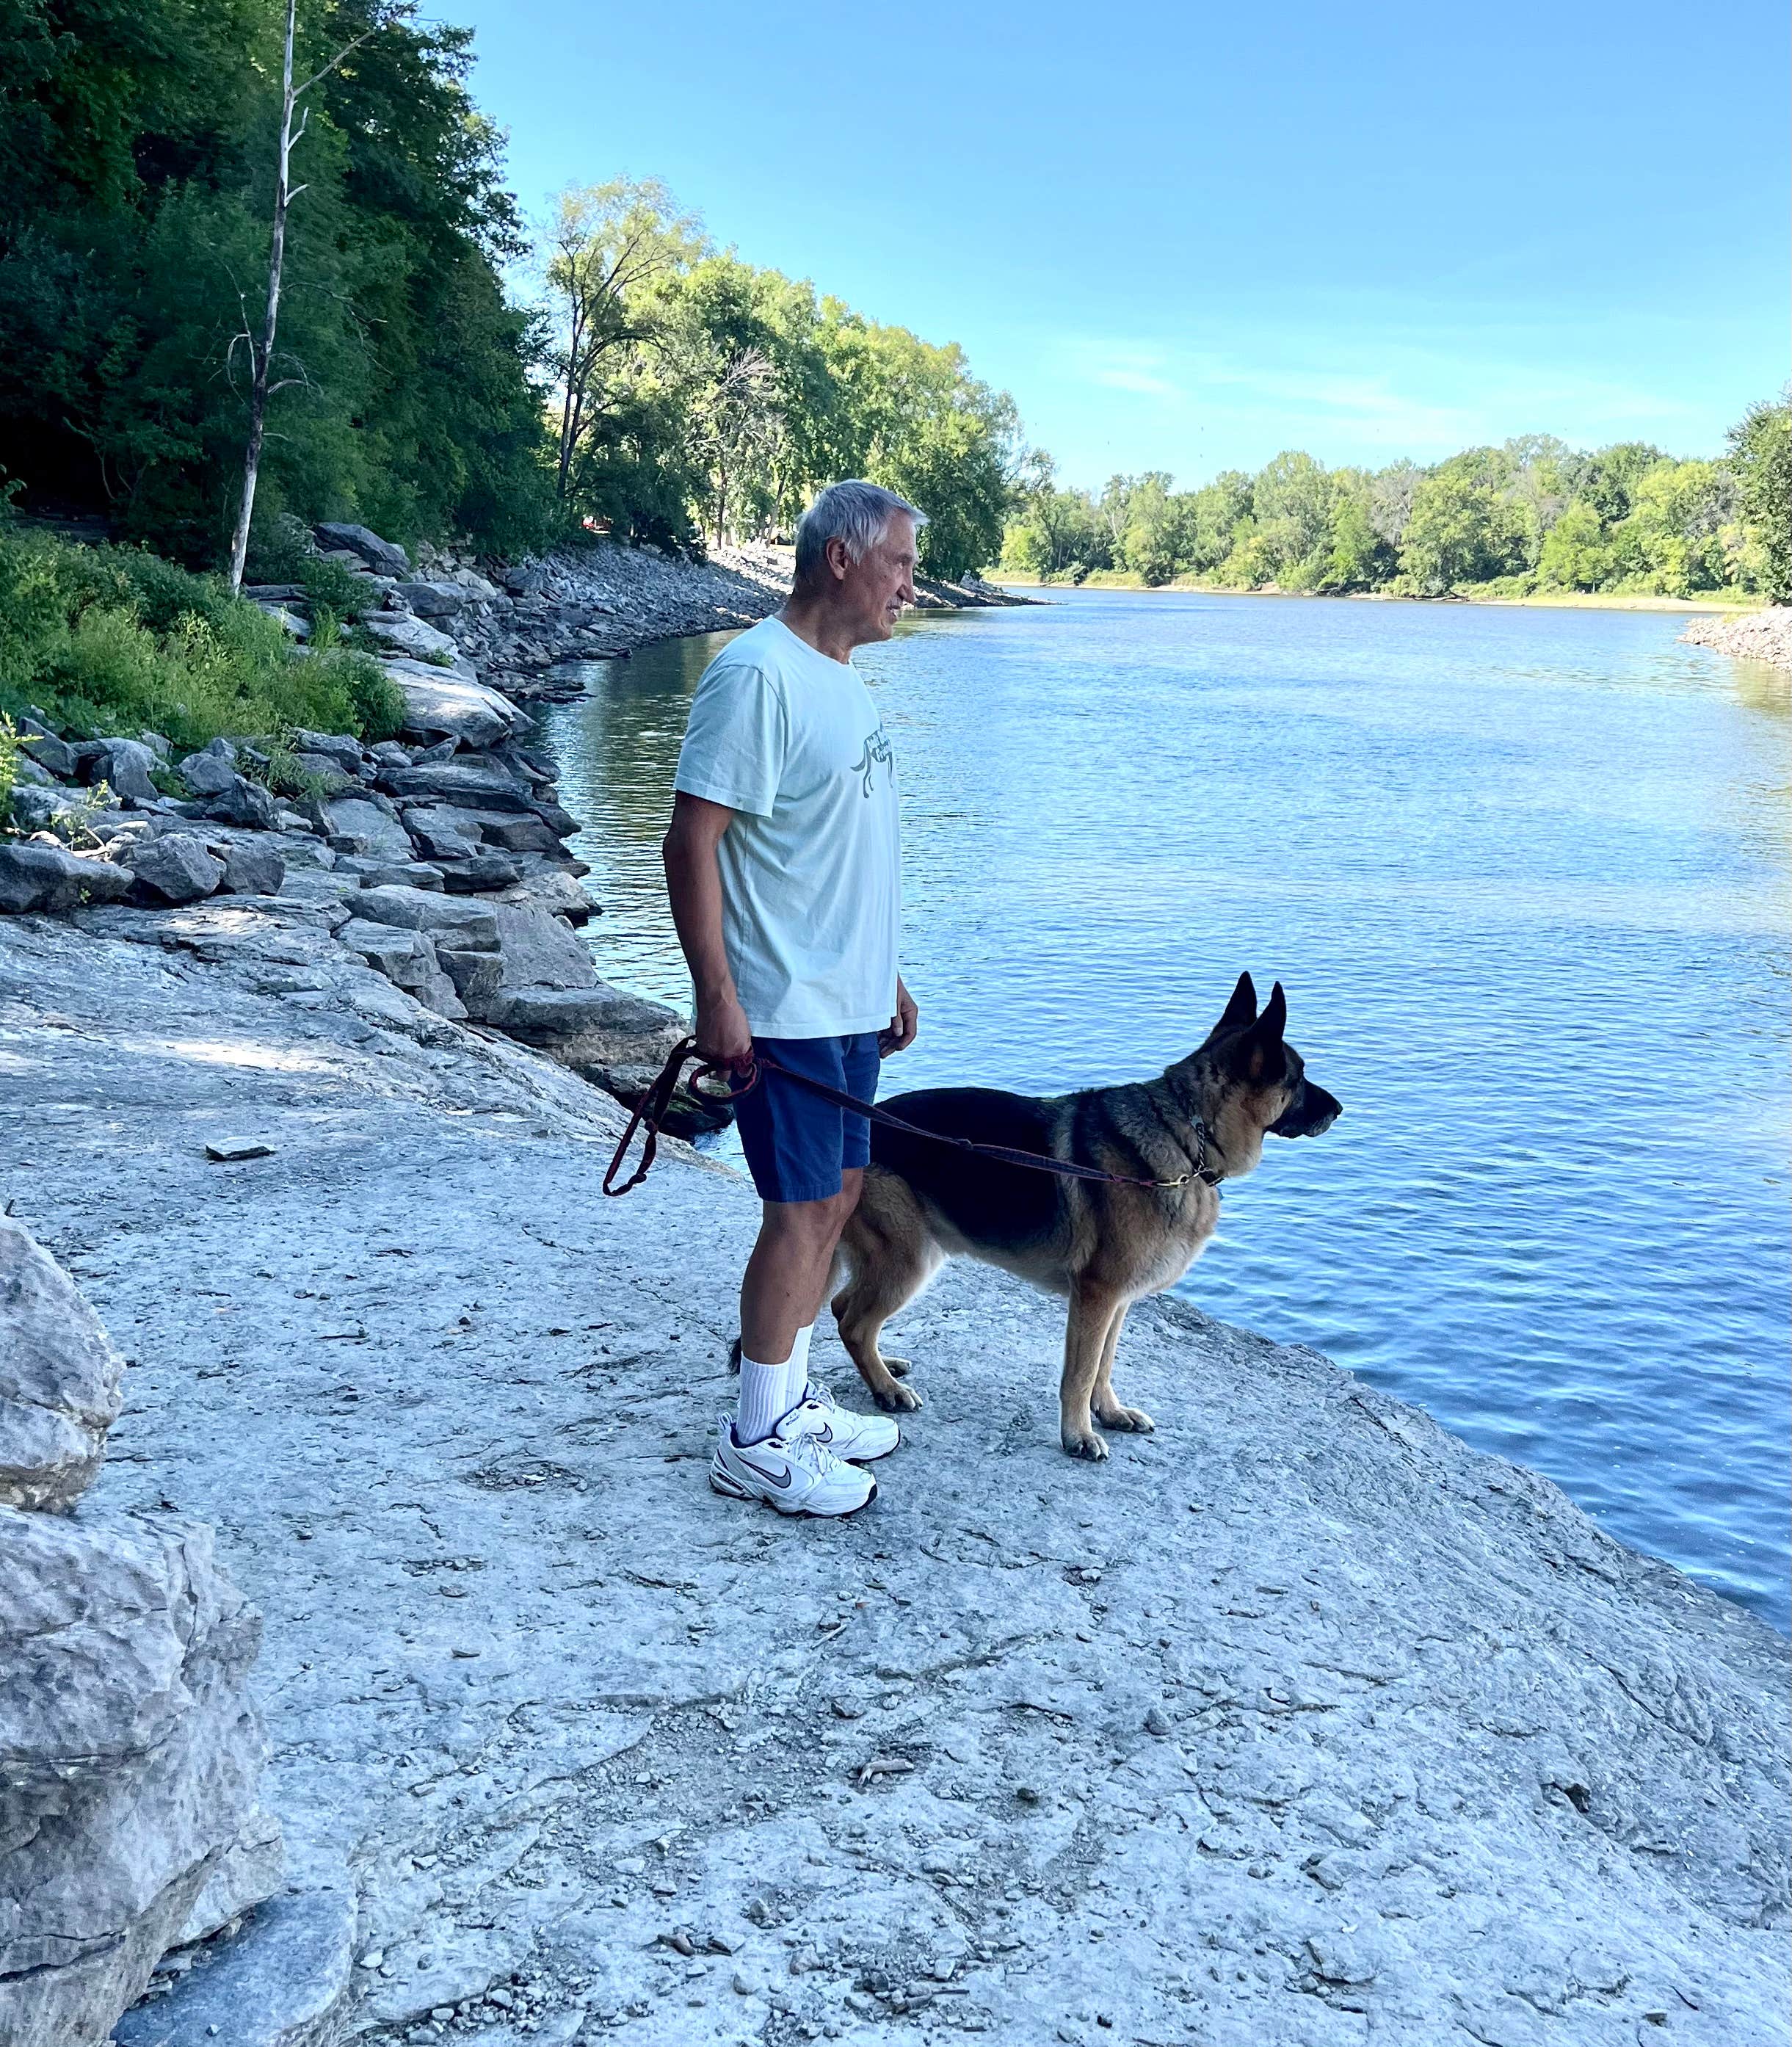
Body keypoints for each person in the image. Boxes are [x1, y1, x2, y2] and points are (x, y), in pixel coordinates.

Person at [662, 479, 923, 1516]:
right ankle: (755, 1439)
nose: (911, 585)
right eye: (900, 564)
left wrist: (886, 975)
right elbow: (692, 842)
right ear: (842, 562)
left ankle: (789, 1394)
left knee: (843, 1200)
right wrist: (715, 997)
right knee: (798, 1211)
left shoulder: (844, 681)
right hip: (785, 1006)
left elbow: (834, 848)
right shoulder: (755, 676)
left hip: (848, 1002)